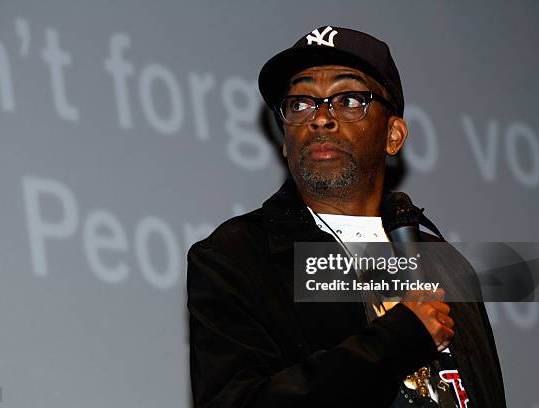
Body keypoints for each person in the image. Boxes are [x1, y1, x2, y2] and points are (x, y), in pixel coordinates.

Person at [187, 26, 506, 407]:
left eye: (350, 99)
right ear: (285, 143)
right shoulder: (237, 256)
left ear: (393, 135)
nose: (321, 118)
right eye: (301, 103)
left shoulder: (447, 265)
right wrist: (396, 340)